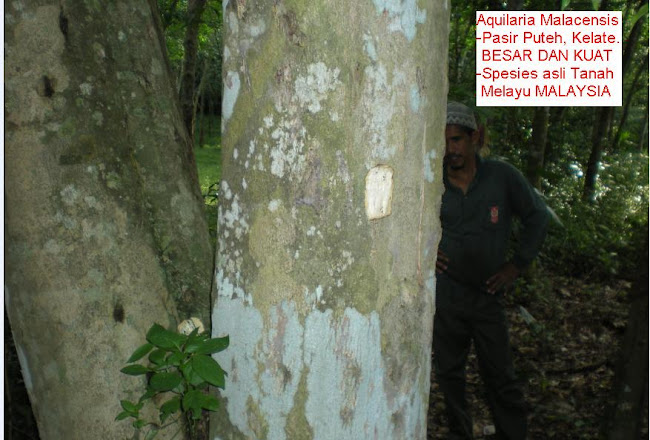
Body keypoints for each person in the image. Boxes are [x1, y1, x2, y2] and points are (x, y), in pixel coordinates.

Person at [433, 101, 549, 439]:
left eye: (456, 140)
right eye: (443, 142)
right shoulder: (432, 182)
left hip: (487, 295)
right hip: (447, 295)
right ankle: (460, 433)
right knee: (450, 375)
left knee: (500, 376)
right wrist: (426, 253)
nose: (449, 149)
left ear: (474, 139)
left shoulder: (501, 177)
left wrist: (516, 266)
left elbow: (537, 217)